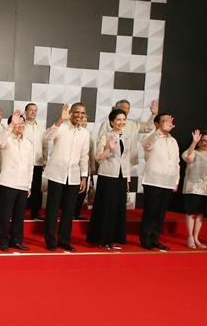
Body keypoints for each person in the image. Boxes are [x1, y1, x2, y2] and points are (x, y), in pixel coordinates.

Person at [43, 102, 90, 252]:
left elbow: (84, 156)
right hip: (56, 173)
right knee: (52, 209)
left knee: (69, 211)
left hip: (74, 175)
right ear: (71, 113)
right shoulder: (61, 126)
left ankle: (64, 240)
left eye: (82, 113)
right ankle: (50, 240)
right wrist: (60, 120)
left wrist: (83, 176)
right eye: (77, 112)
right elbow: (47, 137)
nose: (80, 115)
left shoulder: (85, 133)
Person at [87, 109, 131, 250]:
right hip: (108, 176)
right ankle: (102, 239)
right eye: (118, 119)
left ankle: (114, 239)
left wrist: (128, 178)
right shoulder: (105, 136)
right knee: (106, 207)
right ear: (112, 122)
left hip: (121, 176)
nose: (121, 122)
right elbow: (98, 157)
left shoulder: (126, 137)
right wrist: (109, 150)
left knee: (118, 208)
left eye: (124, 119)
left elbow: (127, 159)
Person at [0, 111, 34, 252]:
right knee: (5, 214)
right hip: (7, 182)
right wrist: (11, 125)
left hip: (23, 184)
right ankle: (3, 241)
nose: (20, 126)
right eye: (18, 123)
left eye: (22, 123)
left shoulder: (28, 143)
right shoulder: (6, 139)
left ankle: (16, 241)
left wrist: (29, 185)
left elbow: (30, 165)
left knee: (19, 215)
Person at [140, 112, 180, 251]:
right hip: (153, 181)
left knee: (161, 213)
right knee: (150, 212)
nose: (167, 123)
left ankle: (155, 238)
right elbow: (147, 145)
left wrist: (176, 181)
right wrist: (159, 131)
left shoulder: (173, 141)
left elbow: (177, 163)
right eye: (163, 121)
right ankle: (145, 239)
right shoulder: (151, 137)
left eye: (168, 121)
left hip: (168, 182)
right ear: (157, 124)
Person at [182, 129, 207, 249]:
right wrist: (194, 143)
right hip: (193, 188)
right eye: (204, 141)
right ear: (199, 141)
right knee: (191, 213)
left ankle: (196, 238)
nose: (206, 143)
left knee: (200, 215)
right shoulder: (194, 152)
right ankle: (190, 237)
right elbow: (187, 157)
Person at [22, 103, 48, 220]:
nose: (33, 112)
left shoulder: (41, 128)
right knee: (23, 187)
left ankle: (35, 213)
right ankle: (20, 212)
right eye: (31, 110)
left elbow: (45, 146)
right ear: (26, 111)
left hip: (37, 162)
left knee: (36, 189)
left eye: (35, 110)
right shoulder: (21, 126)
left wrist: (45, 160)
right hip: (23, 163)